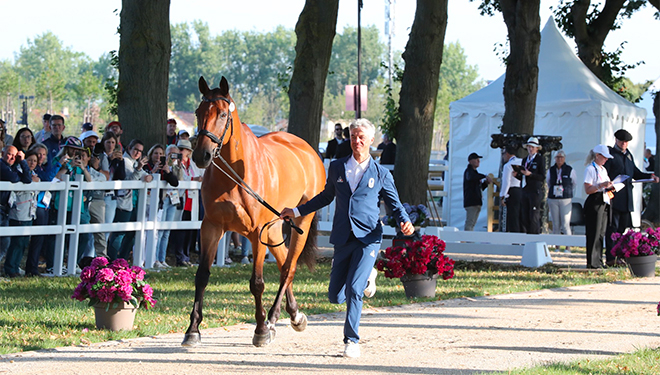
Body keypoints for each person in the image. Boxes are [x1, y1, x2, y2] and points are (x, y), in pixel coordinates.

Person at [280, 118, 414, 358]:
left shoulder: (381, 173)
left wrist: (404, 220)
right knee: (335, 295)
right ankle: (367, 278)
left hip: (369, 237)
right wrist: (297, 210)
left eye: (362, 137)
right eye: (353, 136)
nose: (357, 141)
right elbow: (325, 196)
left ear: (371, 140)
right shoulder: (337, 167)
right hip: (343, 236)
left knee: (353, 289)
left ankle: (351, 340)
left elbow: (394, 203)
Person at [604, 129, 659, 267]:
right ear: (616, 140)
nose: (624, 144)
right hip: (614, 197)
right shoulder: (610, 155)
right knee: (612, 228)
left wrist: (649, 177)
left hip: (626, 198)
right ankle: (611, 258)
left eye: (626, 142)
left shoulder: (628, 155)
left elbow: (635, 173)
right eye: (622, 141)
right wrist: (609, 195)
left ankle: (620, 255)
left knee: (622, 228)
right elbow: (605, 177)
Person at [107, 139, 152, 261]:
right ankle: (112, 260)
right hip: (121, 202)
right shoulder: (125, 161)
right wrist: (138, 171)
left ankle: (122, 260)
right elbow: (129, 181)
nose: (138, 153)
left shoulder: (135, 162)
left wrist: (148, 176)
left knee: (131, 233)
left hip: (132, 203)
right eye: (136, 149)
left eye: (140, 151)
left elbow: (145, 176)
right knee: (119, 233)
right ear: (129, 149)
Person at [3, 149, 40, 278]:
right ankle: (10, 268)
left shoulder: (31, 173)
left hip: (29, 212)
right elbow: (21, 180)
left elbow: (29, 180)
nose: (31, 163)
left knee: (23, 241)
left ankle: (15, 267)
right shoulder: (12, 169)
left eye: (34, 161)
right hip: (18, 211)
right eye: (29, 160)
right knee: (16, 242)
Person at [169, 139, 203, 267]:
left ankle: (186, 255)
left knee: (189, 229)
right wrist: (194, 179)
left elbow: (200, 174)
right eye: (179, 149)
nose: (181, 152)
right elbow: (179, 178)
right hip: (181, 198)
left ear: (189, 152)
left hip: (192, 199)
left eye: (183, 149)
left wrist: (198, 179)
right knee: (180, 229)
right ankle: (179, 256)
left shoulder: (192, 164)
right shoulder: (175, 164)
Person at [583, 145, 614, 269]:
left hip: (604, 200)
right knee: (594, 232)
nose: (606, 160)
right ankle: (592, 262)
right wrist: (601, 185)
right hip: (594, 201)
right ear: (597, 156)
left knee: (601, 233)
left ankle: (599, 260)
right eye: (604, 157)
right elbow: (588, 189)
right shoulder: (590, 169)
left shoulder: (603, 169)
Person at [0, 146, 32, 265]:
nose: (12, 158)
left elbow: (27, 180)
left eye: (15, 156)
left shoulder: (11, 167)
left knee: (5, 241)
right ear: (2, 153)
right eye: (9, 154)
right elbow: (14, 178)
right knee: (4, 241)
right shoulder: (1, 165)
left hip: (4, 209)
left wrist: (22, 161)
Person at [154, 145, 183, 268]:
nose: (172, 156)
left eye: (175, 154)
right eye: (170, 153)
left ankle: (162, 259)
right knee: (159, 230)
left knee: (167, 230)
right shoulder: (161, 165)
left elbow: (178, 180)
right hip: (164, 198)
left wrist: (177, 166)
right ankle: (155, 258)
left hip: (173, 199)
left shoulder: (177, 167)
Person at [26, 143, 52, 276]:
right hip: (35, 206)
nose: (41, 157)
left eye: (43, 155)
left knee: (40, 238)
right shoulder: (34, 170)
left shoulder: (42, 168)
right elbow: (47, 178)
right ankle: (30, 268)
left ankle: (32, 267)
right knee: (35, 238)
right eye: (38, 154)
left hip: (44, 205)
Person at [546, 150, 578, 246]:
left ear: (564, 159)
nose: (559, 159)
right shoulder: (551, 170)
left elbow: (574, 183)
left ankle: (568, 246)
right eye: (557, 157)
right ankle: (556, 245)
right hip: (553, 198)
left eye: (561, 157)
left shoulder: (570, 170)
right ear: (555, 159)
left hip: (565, 199)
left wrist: (567, 191)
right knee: (556, 224)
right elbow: (548, 182)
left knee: (565, 224)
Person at [519, 137, 546, 234]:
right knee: (524, 214)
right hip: (525, 190)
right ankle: (526, 235)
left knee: (534, 215)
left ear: (537, 148)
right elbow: (523, 176)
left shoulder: (540, 159)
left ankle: (534, 235)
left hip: (535, 191)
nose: (530, 149)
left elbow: (542, 176)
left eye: (533, 147)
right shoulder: (524, 160)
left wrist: (530, 174)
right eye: (529, 147)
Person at [99, 132, 126, 228]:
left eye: (112, 142)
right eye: (108, 142)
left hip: (111, 195)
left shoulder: (118, 158)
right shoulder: (100, 156)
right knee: (97, 225)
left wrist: (120, 161)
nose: (110, 145)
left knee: (108, 225)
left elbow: (121, 176)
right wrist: (109, 160)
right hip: (100, 194)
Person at [463, 152, 492, 231]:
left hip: (476, 201)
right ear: (470, 161)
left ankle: (470, 239)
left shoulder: (475, 174)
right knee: (470, 223)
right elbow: (471, 177)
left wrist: (485, 183)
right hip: (471, 202)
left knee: (472, 223)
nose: (478, 161)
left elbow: (479, 188)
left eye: (478, 159)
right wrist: (484, 176)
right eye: (476, 159)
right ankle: (467, 240)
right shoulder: (469, 172)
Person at [500, 146, 523, 233]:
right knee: (522, 216)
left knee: (513, 217)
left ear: (507, 154)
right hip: (523, 190)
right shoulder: (522, 162)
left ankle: (515, 239)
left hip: (513, 191)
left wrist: (503, 196)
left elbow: (506, 182)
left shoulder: (508, 166)